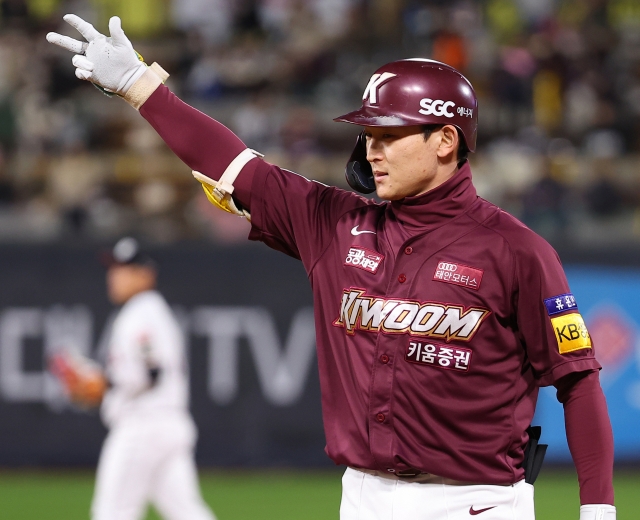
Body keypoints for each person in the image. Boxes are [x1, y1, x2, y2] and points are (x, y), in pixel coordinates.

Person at [47, 15, 616, 520]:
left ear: (446, 140)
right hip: (361, 498)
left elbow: (577, 380)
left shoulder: (518, 251)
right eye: (368, 133)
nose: (372, 150)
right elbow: (237, 168)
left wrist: (597, 509)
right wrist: (139, 86)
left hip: (473, 502)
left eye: (390, 134)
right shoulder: (336, 224)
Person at [93, 237, 216, 520]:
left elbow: (149, 373)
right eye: (114, 269)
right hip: (168, 425)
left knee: (112, 513)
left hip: (143, 425)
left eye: (124, 269)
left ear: (145, 274)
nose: (114, 276)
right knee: (186, 512)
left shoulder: (140, 313)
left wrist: (103, 383)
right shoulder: (152, 311)